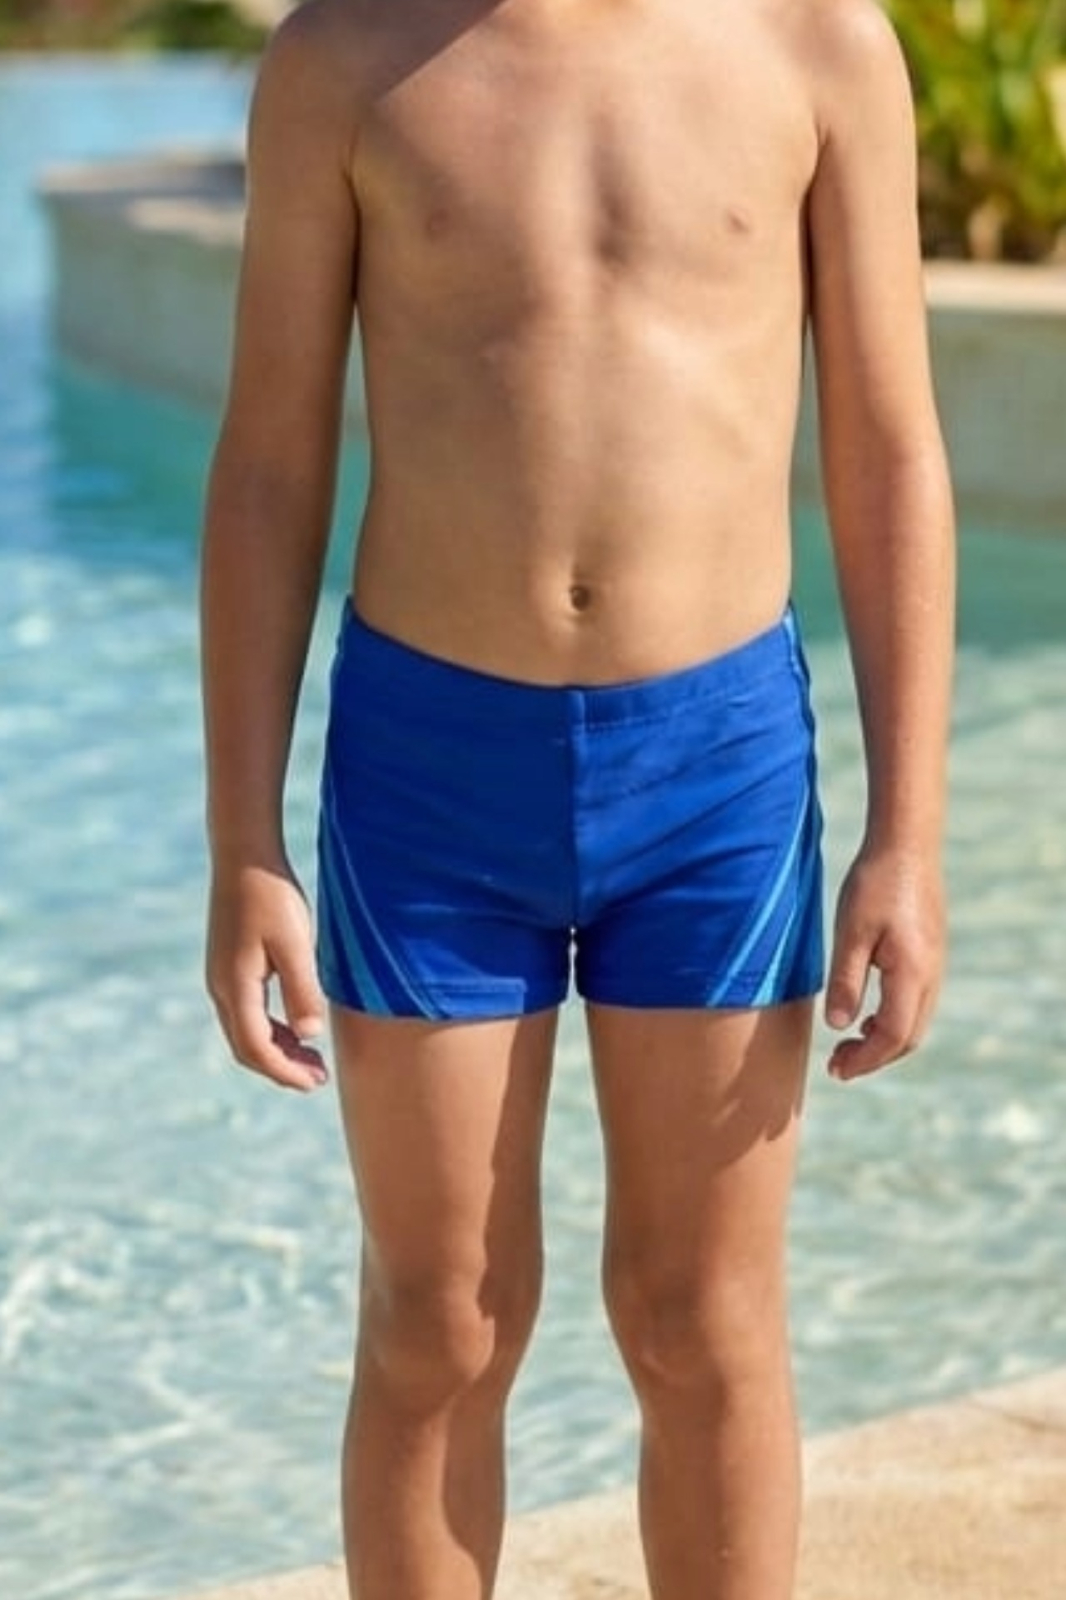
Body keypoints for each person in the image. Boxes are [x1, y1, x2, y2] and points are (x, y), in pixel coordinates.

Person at [200, 0, 954, 1594]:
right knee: (439, 1322)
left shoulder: (815, 45)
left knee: (698, 1322)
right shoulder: (344, 59)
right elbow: (268, 462)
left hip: (714, 772)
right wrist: (241, 842)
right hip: (426, 770)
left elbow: (889, 449)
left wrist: (907, 834)